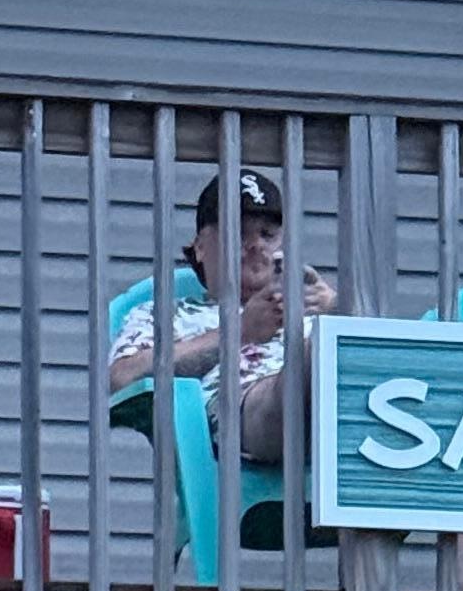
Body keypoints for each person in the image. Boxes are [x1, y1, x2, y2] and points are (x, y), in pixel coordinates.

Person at [104, 167, 337, 492]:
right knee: (316, 356)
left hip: (344, 424)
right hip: (245, 417)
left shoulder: (316, 308)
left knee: (346, 346)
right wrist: (239, 333)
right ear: (200, 246)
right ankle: (315, 366)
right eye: (239, 233)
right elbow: (122, 378)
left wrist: (338, 312)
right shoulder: (166, 314)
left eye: (267, 234)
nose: (256, 245)